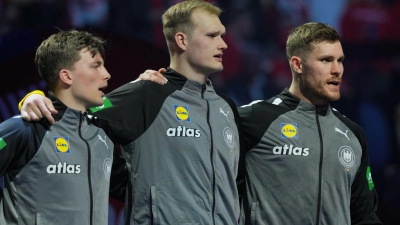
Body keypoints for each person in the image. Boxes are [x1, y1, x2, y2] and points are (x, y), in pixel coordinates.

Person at [18, 0, 244, 224]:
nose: (223, 44)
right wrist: (33, 98)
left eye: (222, 35)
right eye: (212, 36)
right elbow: (73, 114)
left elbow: (238, 185)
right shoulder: (146, 94)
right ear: (182, 40)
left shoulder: (226, 107)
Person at [238, 22, 382, 224]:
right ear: (297, 64)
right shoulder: (253, 119)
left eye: (340, 61)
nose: (337, 70)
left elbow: (365, 216)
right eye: (326, 60)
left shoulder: (353, 134)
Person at [0, 30, 115, 225]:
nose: (107, 75)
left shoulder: (103, 129)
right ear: (66, 76)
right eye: (96, 66)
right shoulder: (24, 128)